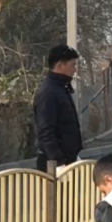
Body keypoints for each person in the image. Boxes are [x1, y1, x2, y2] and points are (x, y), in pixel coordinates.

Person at [34, 44, 82, 173]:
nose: (75, 69)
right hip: (54, 164)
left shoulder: (60, 88)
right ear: (61, 65)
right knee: (56, 194)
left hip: (66, 159)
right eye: (73, 65)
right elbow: (45, 129)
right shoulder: (49, 92)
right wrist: (58, 162)